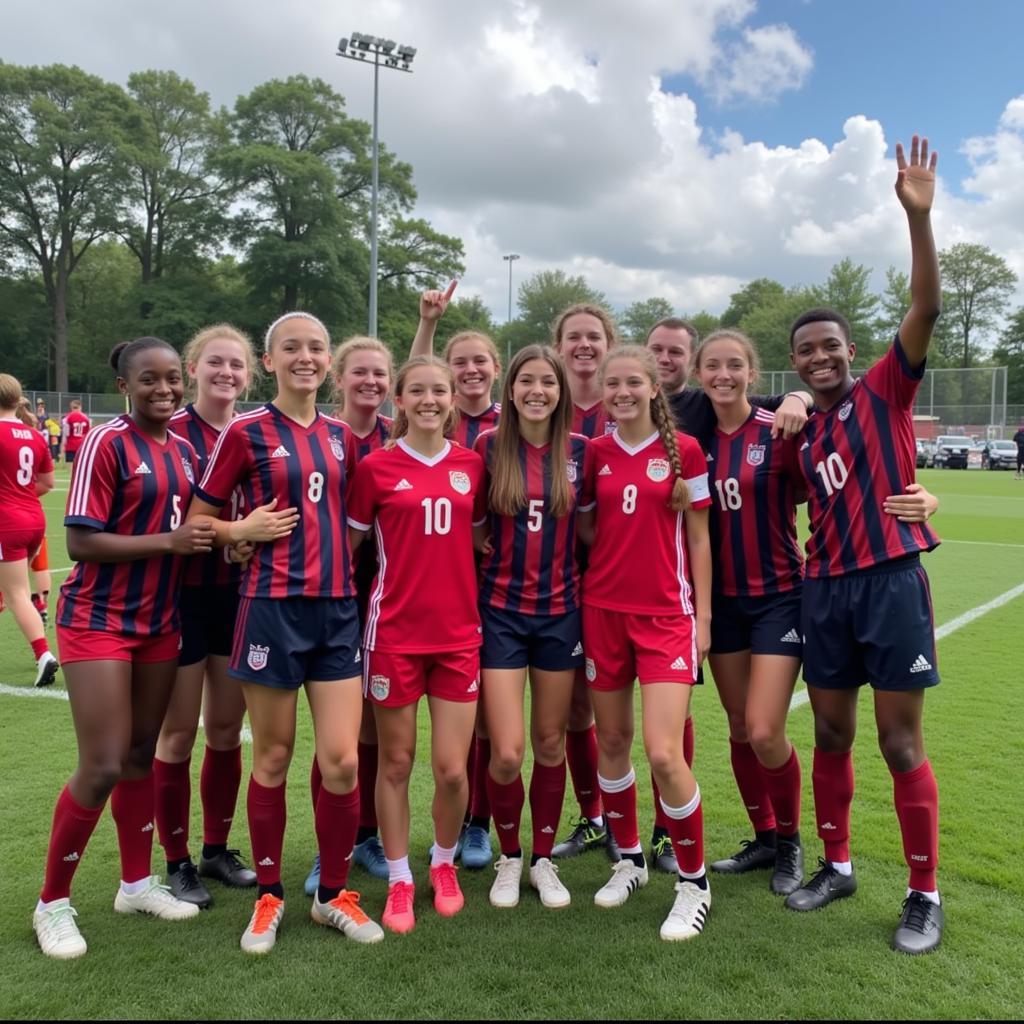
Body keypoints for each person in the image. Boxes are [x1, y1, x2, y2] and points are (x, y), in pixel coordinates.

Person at [783, 135, 945, 955]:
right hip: (826, 592)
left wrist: (918, 219)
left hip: (889, 582)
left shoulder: (885, 390)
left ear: (853, 350)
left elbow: (924, 310)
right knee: (833, 734)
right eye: (805, 351)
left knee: (898, 740)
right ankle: (837, 863)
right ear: (796, 364)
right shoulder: (803, 434)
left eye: (829, 346)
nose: (819, 358)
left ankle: (924, 892)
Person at [189, 311, 384, 954]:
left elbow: (362, 520)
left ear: (328, 362)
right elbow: (200, 521)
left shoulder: (341, 437)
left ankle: (332, 895)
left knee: (342, 759)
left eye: (317, 348)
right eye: (291, 348)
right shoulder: (245, 433)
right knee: (271, 757)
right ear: (269, 362)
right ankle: (269, 896)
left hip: (336, 614)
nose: (307, 357)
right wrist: (239, 534)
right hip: (269, 610)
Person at [32, 338, 216, 961]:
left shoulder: (188, 450)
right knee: (104, 762)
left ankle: (135, 885)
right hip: (98, 620)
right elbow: (82, 542)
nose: (163, 390)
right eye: (149, 380)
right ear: (124, 386)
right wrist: (171, 542)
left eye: (171, 380)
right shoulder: (107, 443)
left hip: (160, 622)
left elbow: (201, 531)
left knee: (141, 753)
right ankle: (51, 903)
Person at [347, 355, 486, 934]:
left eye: (440, 391)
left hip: (458, 637)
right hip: (394, 636)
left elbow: (479, 543)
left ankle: (443, 864)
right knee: (396, 761)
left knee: (454, 769)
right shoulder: (376, 468)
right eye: (418, 391)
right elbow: (348, 549)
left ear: (452, 399)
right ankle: (401, 877)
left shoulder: (472, 465)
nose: (430, 400)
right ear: (398, 401)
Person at [580, 345, 713, 941]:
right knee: (611, 739)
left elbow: (700, 540)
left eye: (634, 382)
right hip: (602, 613)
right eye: (614, 383)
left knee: (664, 752)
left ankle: (693, 883)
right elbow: (587, 528)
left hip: (665, 617)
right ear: (603, 390)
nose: (623, 392)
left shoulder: (683, 452)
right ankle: (628, 859)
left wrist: (702, 618)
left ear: (655, 389)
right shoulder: (595, 454)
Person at [474, 345, 592, 910]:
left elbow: (595, 534)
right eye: (527, 380)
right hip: (499, 613)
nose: (537, 390)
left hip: (561, 612)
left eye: (548, 381)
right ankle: (509, 855)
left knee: (549, 742)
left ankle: (543, 860)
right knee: (506, 751)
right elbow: (472, 531)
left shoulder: (583, 451)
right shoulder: (487, 448)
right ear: (511, 388)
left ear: (561, 390)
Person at [695, 329, 807, 896]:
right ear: (698, 375)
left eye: (734, 365)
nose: (723, 375)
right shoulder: (696, 442)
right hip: (724, 604)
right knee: (740, 728)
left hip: (781, 597)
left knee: (766, 729)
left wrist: (801, 398)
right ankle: (764, 837)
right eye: (712, 366)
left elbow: (834, 487)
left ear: (752, 373)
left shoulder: (779, 430)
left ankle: (790, 841)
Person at [152, 325, 260, 909]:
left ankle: (216, 849)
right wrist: (231, 534)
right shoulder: (172, 433)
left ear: (250, 373)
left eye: (236, 365)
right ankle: (177, 860)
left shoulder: (257, 431)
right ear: (194, 366)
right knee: (177, 732)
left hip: (240, 596)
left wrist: (246, 545)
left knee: (224, 729)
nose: (226, 373)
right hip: (182, 596)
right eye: (215, 362)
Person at [411, 290, 500, 869]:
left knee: (486, 720)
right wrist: (426, 325)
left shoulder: (512, 420)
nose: (469, 371)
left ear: (495, 369)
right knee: (380, 732)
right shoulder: (427, 412)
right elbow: (413, 374)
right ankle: (367, 832)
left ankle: (477, 825)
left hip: (492, 589)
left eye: (479, 361)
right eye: (458, 362)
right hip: (415, 589)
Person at [304, 336, 395, 895]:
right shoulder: (324, 436)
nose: (370, 382)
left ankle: (368, 837)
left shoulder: (399, 435)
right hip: (332, 596)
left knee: (379, 725)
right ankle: (329, 849)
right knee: (337, 736)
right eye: (359, 372)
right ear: (339, 377)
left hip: (392, 597)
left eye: (380, 374)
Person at [0, 374, 58, 687]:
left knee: (17, 594)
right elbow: (46, 482)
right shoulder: (34, 435)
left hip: (6, 521)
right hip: (34, 519)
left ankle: (43, 654)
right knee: (14, 588)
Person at [13, 400, 55, 628]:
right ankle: (42, 604)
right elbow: (46, 481)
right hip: (34, 513)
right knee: (41, 565)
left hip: (9, 514)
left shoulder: (6, 433)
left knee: (11, 577)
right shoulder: (33, 433)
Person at [62, 400, 91, 465]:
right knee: (81, 466)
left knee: (70, 468)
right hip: (82, 445)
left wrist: (63, 447)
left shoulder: (67, 418)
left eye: (75, 407)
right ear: (80, 407)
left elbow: (66, 434)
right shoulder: (86, 418)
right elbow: (88, 433)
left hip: (71, 446)